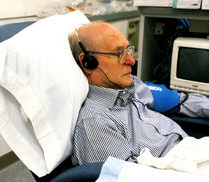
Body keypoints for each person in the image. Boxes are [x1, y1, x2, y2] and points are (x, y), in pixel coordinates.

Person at [68, 22, 209, 165]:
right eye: (119, 53)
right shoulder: (96, 123)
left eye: (128, 49)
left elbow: (177, 100)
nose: (131, 60)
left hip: (193, 151)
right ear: (87, 62)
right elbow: (130, 180)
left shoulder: (131, 86)